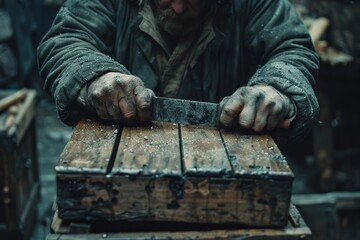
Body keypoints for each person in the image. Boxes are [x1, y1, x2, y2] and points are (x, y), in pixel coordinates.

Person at [37, 0, 320, 148]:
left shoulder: (253, 4)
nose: (180, 7)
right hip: (114, 161)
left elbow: (291, 49)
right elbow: (66, 38)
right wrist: (95, 77)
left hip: (225, 166)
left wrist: (277, 88)